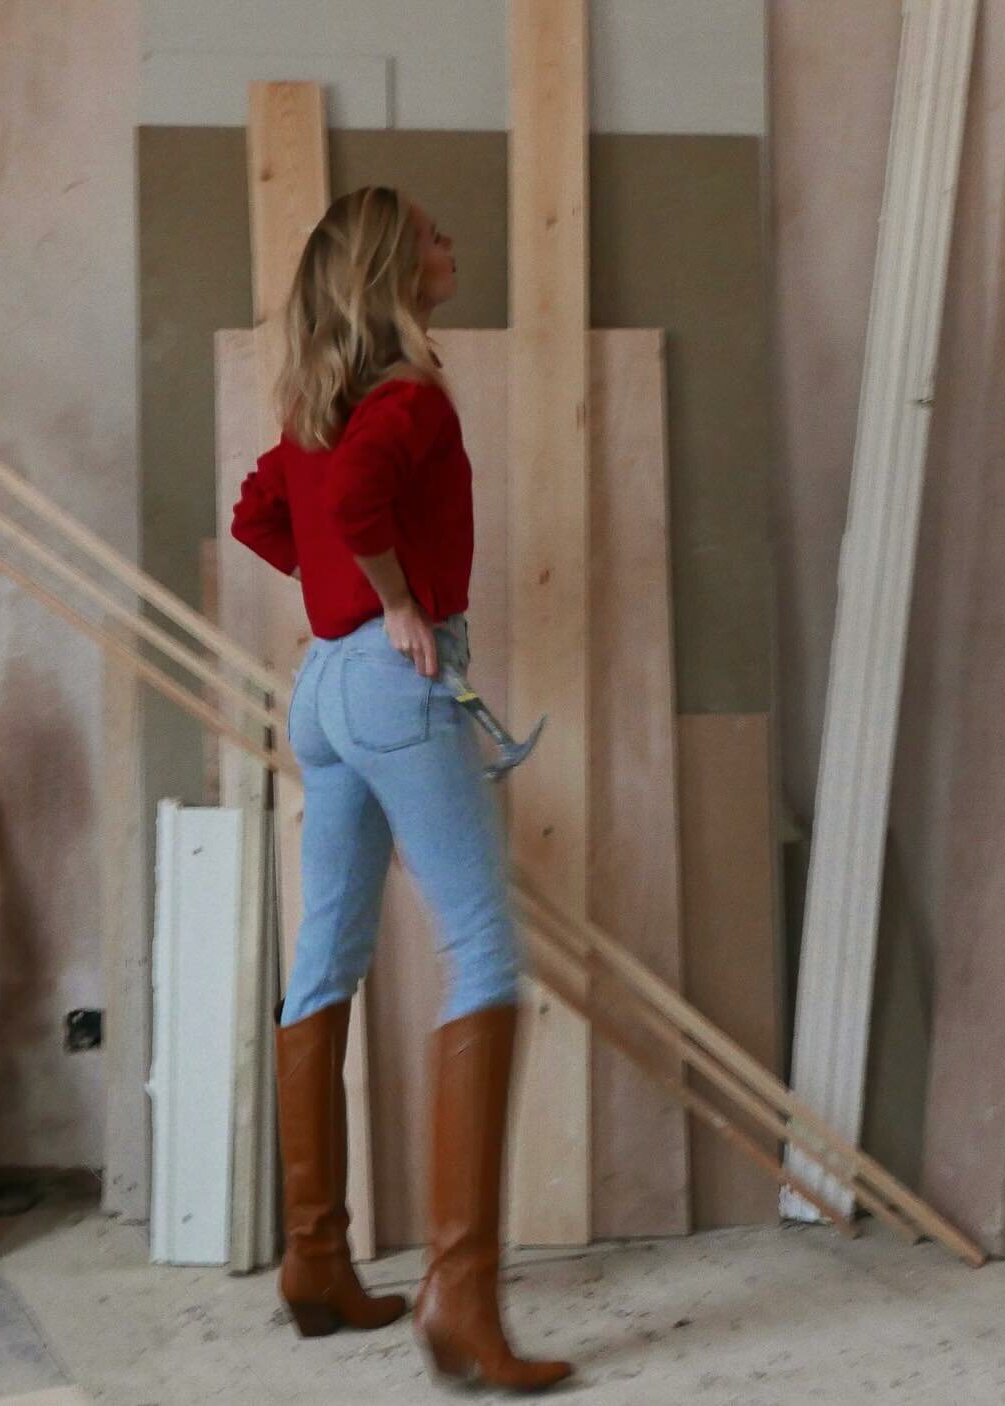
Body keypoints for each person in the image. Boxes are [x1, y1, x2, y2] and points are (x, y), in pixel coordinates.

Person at [229, 185, 574, 1393]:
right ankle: (459, 1296)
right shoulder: (410, 399)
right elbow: (353, 507)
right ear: (393, 268)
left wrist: (340, 597)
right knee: (484, 954)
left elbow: (264, 513)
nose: (449, 241)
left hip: (324, 687)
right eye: (432, 232)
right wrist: (392, 600)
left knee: (326, 954)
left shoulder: (321, 406)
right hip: (392, 677)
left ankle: (315, 1258)